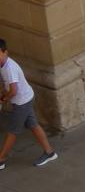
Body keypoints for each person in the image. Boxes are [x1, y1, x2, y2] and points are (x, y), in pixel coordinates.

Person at [0, 40, 57, 170]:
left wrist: (3, 99)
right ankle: (50, 152)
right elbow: (8, 85)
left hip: (22, 102)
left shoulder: (9, 68)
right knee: (33, 125)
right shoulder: (3, 65)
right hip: (24, 99)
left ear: (5, 52)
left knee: (13, 131)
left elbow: (13, 91)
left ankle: (1, 159)